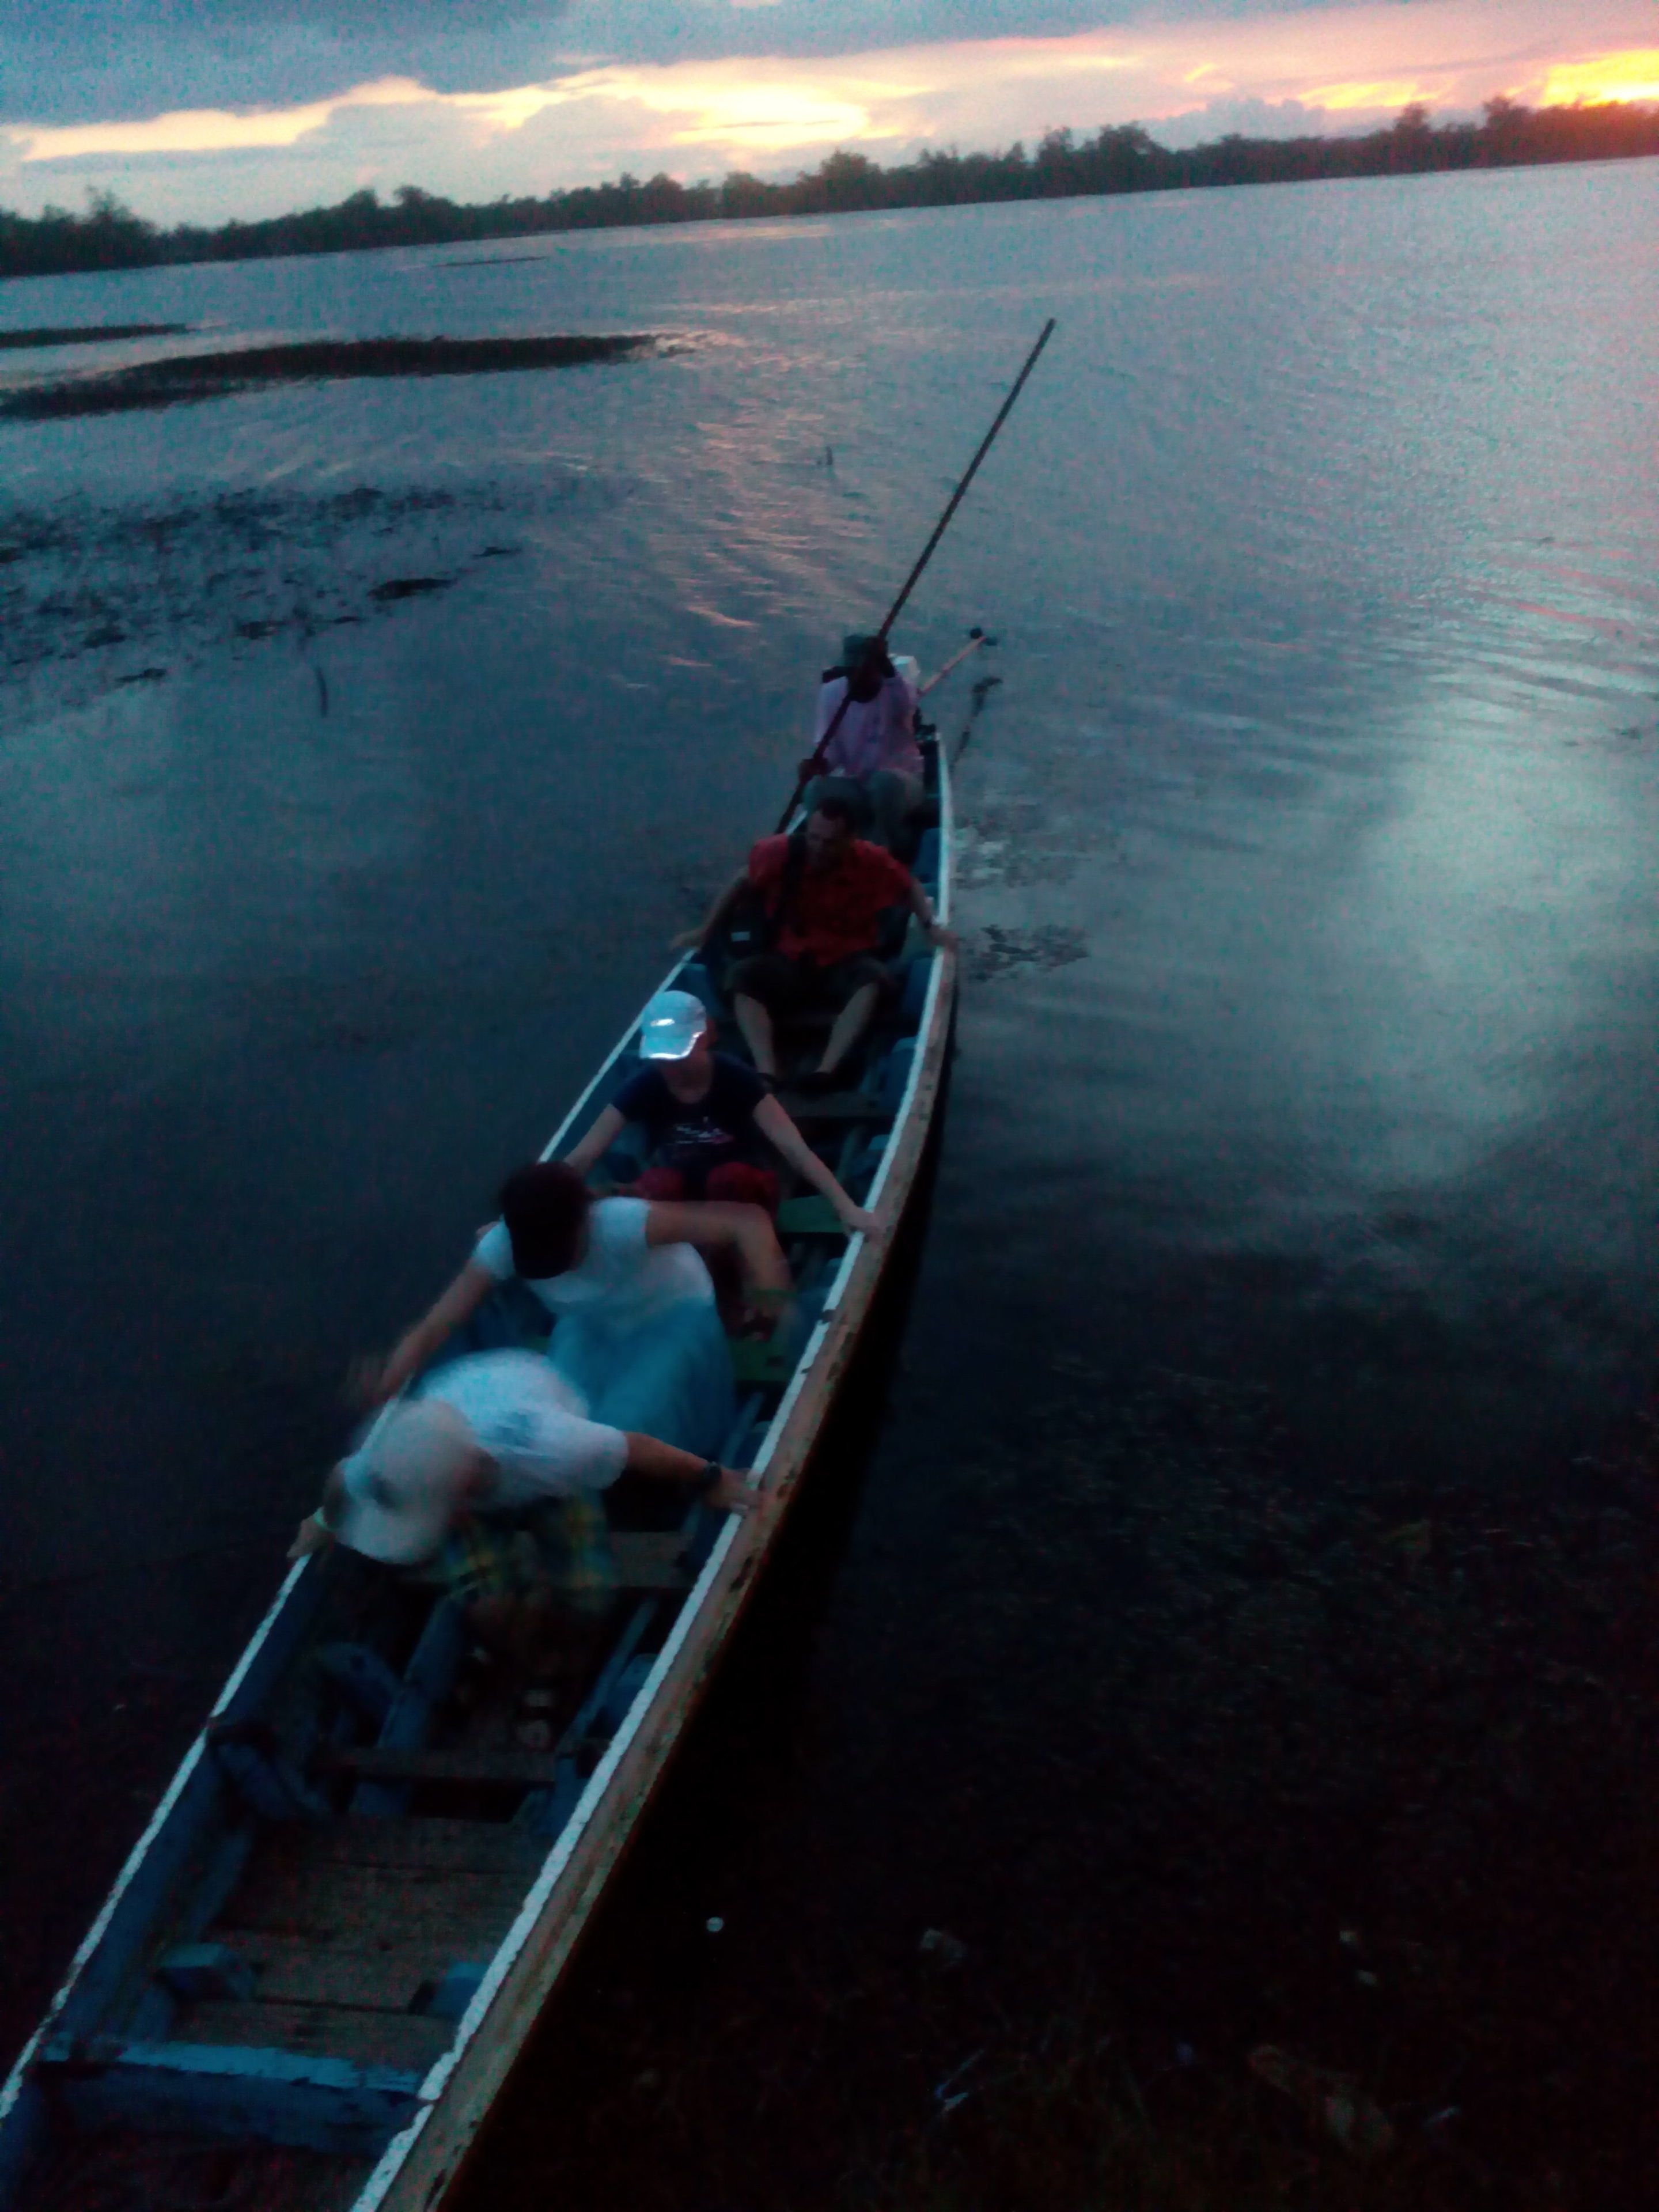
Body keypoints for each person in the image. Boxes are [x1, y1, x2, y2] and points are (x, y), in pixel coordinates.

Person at [289, 1347, 750, 1672]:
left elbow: (637, 1450)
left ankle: (555, 1628)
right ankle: (527, 1644)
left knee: (591, 1600)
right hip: (462, 1434)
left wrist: (711, 1479)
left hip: (540, 1468)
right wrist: (323, 1522)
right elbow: (341, 1480)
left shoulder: (555, 1450)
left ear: (461, 1490)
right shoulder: (397, 1452)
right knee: (487, 1610)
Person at [356, 1160, 792, 1459]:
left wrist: (772, 1299)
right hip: (592, 1327)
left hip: (671, 1318)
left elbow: (746, 1221)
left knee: (627, 1423)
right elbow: (437, 1324)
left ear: (582, 1221)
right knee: (557, 1419)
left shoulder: (622, 1222)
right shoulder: (505, 1245)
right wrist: (395, 1373)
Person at [676, 793, 956, 1087]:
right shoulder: (780, 853)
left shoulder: (869, 860)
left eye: (830, 842)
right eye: (814, 838)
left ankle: (826, 1070)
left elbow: (908, 885)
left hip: (843, 960)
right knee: (742, 978)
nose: (819, 849)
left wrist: (930, 925)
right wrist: (705, 931)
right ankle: (766, 1070)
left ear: (850, 840)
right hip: (790, 960)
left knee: (873, 980)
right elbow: (741, 881)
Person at [564, 988, 877, 1236]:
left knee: (728, 1180)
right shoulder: (645, 1084)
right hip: (684, 1197)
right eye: (661, 1056)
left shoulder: (737, 1079)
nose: (669, 1066)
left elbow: (793, 1147)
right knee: (658, 1185)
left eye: (679, 1054)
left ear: (706, 1037)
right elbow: (585, 1154)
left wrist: (845, 1207)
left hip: (743, 1193)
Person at [800, 634, 925, 854]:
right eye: (851, 672)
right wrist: (820, 765)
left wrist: (885, 663)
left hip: (902, 786)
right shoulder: (831, 693)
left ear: (878, 670)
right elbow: (831, 751)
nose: (857, 678)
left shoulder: (896, 690)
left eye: (865, 671)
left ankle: (891, 846)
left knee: (884, 783)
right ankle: (821, 850)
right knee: (814, 790)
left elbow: (907, 704)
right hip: (859, 785)